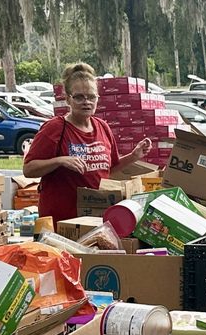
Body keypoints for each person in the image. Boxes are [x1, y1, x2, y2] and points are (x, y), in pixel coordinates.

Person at [22, 62, 153, 223]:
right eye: (79, 97)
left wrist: (133, 156)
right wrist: (60, 161)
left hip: (94, 218)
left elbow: (108, 171)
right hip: (61, 220)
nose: (86, 102)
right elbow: (28, 169)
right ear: (68, 99)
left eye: (91, 96)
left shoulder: (102, 127)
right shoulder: (55, 128)